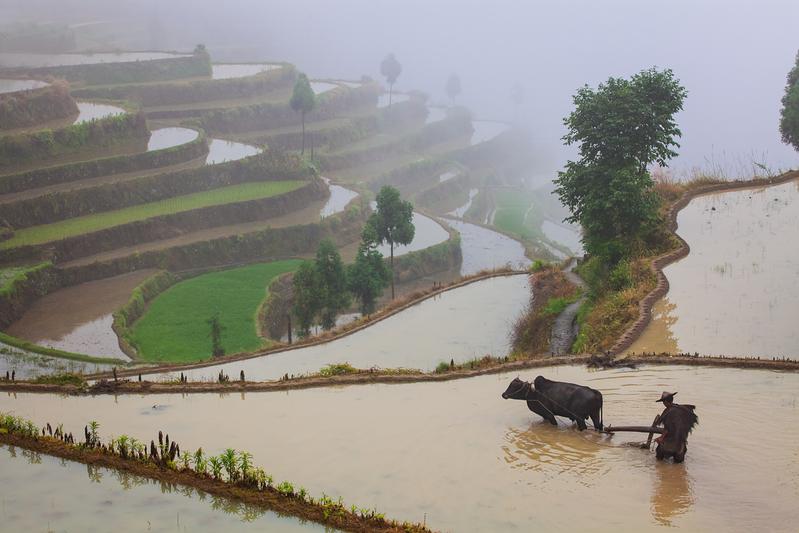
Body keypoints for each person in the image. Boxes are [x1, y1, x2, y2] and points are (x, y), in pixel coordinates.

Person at [653, 391, 698, 463]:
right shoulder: (682, 409)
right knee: (679, 466)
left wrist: (661, 438)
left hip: (670, 443)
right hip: (680, 443)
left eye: (663, 402)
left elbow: (667, 428)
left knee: (659, 456)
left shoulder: (669, 411)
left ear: (665, 402)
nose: (663, 403)